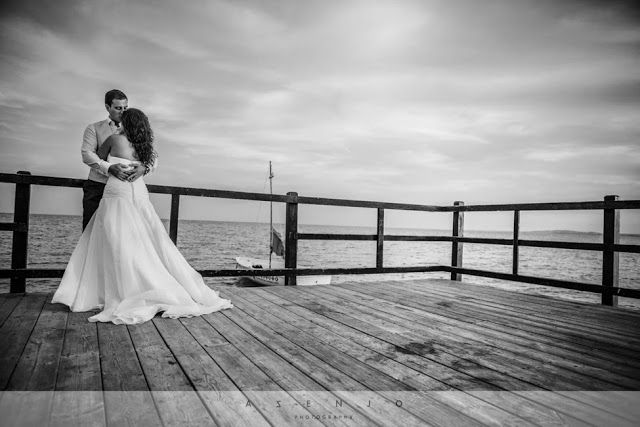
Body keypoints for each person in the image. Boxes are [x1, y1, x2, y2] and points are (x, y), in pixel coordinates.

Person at [53, 108, 232, 324]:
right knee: (145, 239)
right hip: (138, 190)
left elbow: (99, 159)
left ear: (126, 123)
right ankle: (147, 283)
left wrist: (112, 167)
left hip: (118, 190)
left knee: (115, 240)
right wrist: (143, 168)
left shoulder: (113, 139)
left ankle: (115, 289)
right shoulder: (146, 147)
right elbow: (152, 162)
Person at [81, 89, 153, 230]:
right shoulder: (94, 128)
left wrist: (146, 168)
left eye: (125, 108)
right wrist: (109, 168)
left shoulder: (137, 131)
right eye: (118, 108)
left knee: (124, 231)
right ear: (107, 108)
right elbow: (87, 154)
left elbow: (152, 154)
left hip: (125, 190)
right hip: (97, 186)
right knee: (91, 231)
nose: (123, 112)